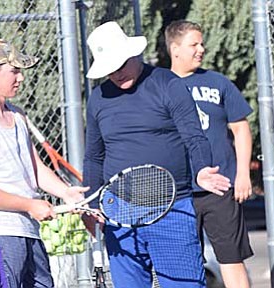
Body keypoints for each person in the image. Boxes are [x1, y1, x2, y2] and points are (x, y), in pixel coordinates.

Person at [82, 21, 231, 288]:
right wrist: (90, 204)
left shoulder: (167, 84)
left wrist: (201, 170)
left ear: (134, 54)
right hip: (119, 210)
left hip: (172, 207)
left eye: (120, 64)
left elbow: (194, 135)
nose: (116, 73)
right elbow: (93, 156)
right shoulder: (98, 99)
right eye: (109, 68)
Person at [0, 38, 88, 288]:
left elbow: (34, 167)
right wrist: (30, 205)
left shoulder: (18, 115)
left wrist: (66, 192)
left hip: (28, 231)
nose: (21, 78)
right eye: (15, 71)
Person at [165, 20, 254, 288]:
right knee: (182, 263)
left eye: (201, 43)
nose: (201, 49)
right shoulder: (159, 85)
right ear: (175, 48)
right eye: (194, 44)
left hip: (221, 186)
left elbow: (240, 129)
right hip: (179, 191)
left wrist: (242, 174)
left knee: (231, 259)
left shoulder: (217, 82)